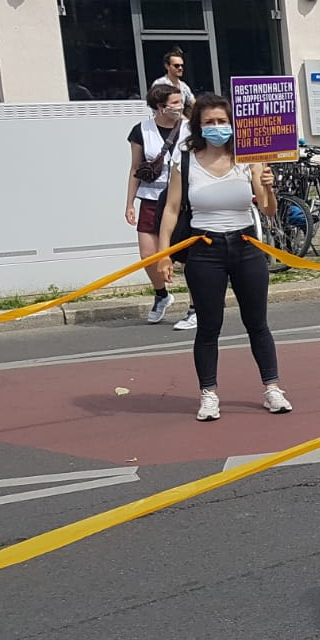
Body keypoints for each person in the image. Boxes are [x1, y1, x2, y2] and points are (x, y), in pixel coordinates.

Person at [156, 93, 292, 422]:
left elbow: (268, 209)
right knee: (208, 326)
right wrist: (163, 255)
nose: (217, 127)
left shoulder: (250, 156)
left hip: (246, 246)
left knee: (257, 323)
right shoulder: (186, 158)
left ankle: (272, 388)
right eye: (210, 122)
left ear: (233, 124)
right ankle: (209, 394)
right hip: (205, 248)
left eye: (222, 121)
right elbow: (172, 208)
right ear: (198, 126)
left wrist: (269, 186)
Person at [126, 82, 191, 326]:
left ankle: (195, 307)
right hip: (151, 199)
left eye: (180, 101)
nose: (179, 106)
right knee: (148, 255)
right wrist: (130, 203)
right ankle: (162, 295)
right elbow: (135, 168)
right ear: (159, 107)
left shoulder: (189, 128)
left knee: (185, 257)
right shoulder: (141, 130)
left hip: (181, 200)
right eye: (174, 103)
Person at [151, 47, 195, 112]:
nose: (180, 68)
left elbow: (194, 104)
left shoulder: (184, 86)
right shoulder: (159, 84)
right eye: (176, 66)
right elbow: (163, 109)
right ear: (167, 66)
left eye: (181, 65)